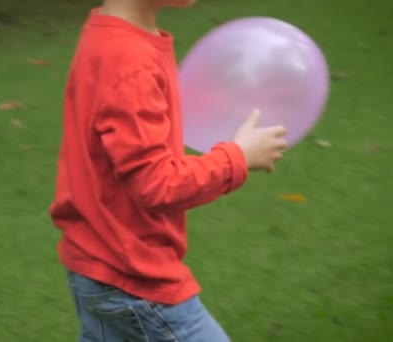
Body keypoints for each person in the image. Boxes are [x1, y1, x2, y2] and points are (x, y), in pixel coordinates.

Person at [49, 0, 288, 340]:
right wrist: (237, 157)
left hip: (94, 261)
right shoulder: (129, 59)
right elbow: (155, 183)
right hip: (132, 274)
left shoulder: (111, 36)